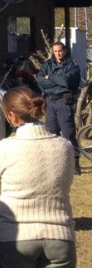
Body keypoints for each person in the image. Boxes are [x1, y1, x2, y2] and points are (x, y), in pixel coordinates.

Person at [0, 87, 76, 268]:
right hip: (59, 235)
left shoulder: (5, 147)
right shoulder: (65, 146)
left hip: (14, 235)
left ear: (12, 116)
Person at [36, 40, 81, 174]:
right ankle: (52, 163)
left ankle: (74, 163)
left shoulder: (72, 65)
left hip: (64, 102)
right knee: (50, 133)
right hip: (50, 102)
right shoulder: (48, 65)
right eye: (55, 51)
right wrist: (56, 83)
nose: (58, 54)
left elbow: (66, 81)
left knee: (68, 134)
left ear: (65, 50)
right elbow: (40, 81)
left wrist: (51, 77)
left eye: (60, 51)